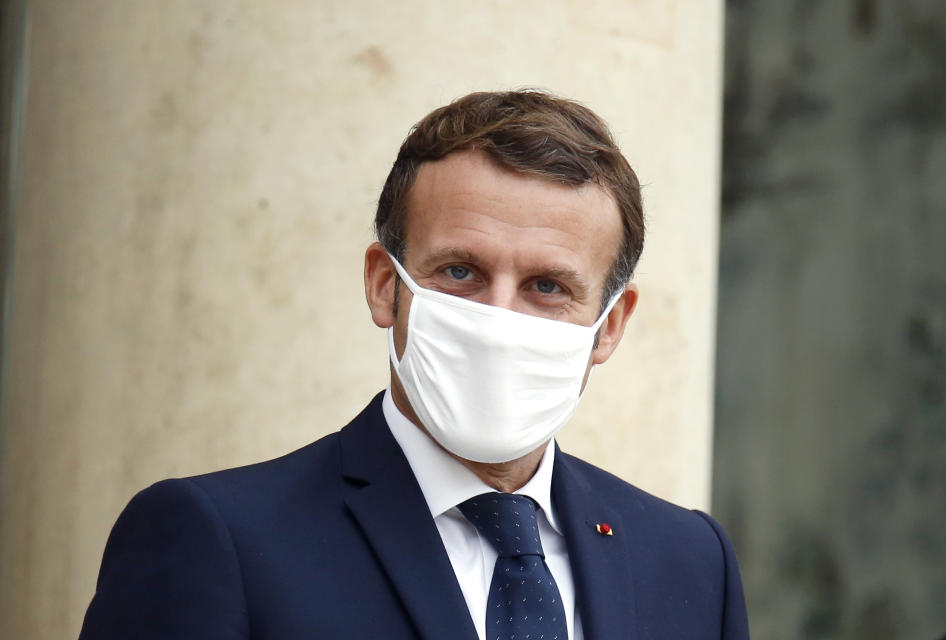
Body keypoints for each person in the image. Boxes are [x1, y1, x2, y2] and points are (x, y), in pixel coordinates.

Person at [79, 90, 749, 639]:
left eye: (548, 286)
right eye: (460, 271)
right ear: (384, 284)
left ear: (611, 326)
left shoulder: (690, 562)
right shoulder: (216, 540)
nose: (499, 317)